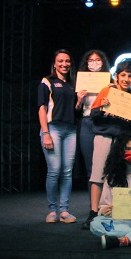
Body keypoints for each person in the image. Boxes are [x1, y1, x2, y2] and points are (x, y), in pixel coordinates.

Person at [87, 60, 131, 226]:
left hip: (122, 139)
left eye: (130, 75)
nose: (126, 79)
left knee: (118, 174)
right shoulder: (107, 90)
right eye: (123, 75)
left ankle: (116, 210)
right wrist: (102, 107)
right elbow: (93, 114)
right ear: (117, 76)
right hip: (104, 136)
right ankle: (93, 212)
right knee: (98, 174)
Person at [38, 49, 78, 223]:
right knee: (54, 171)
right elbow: (42, 108)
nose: (64, 64)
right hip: (52, 129)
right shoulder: (47, 81)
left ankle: (64, 211)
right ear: (54, 63)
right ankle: (52, 210)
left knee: (67, 172)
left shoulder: (72, 84)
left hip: (70, 130)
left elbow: (75, 109)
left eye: (67, 61)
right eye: (60, 61)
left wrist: (81, 99)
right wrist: (45, 133)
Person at [75, 49, 113, 229]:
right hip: (87, 121)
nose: (94, 63)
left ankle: (106, 207)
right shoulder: (81, 81)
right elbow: (77, 109)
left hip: (104, 122)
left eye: (98, 60)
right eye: (90, 60)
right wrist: (79, 99)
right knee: (91, 168)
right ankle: (93, 209)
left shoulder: (109, 81)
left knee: (104, 167)